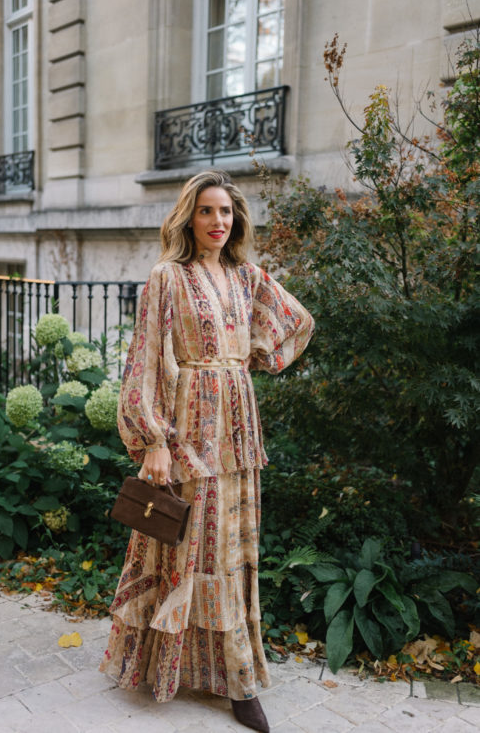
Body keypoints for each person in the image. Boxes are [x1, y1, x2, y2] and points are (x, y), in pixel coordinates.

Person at [99, 170, 314, 732]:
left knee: (231, 548)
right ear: (188, 218)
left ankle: (236, 676)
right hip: (190, 427)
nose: (219, 222)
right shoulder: (167, 277)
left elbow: (295, 322)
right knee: (188, 544)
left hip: (238, 429)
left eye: (226, 212)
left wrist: (257, 357)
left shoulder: (247, 278)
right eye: (206, 211)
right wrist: (154, 441)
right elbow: (144, 357)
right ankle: (175, 666)